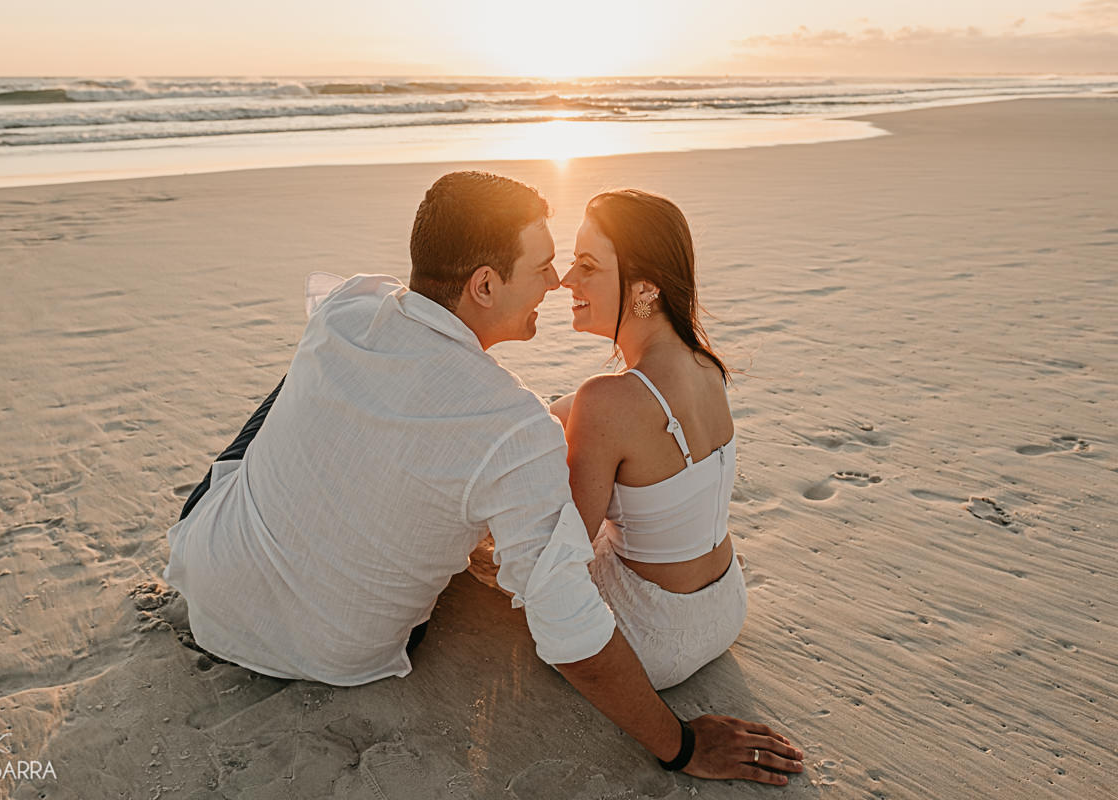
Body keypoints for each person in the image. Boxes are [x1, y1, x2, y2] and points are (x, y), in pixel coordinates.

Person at [162, 171, 803, 783]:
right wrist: (680, 746)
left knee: (319, 353)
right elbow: (568, 619)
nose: (557, 283)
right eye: (544, 266)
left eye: (576, 264)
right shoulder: (515, 429)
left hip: (206, 579)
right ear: (486, 285)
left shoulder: (351, 302)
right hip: (339, 654)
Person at [552, 189, 744, 691]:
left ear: (644, 289)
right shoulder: (706, 366)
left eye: (587, 265)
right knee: (562, 414)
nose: (567, 280)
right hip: (724, 608)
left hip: (647, 641)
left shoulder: (606, 401)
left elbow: (564, 548)